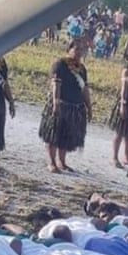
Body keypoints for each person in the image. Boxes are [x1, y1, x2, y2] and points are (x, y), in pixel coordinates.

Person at [39, 39, 92, 173]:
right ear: (69, 49)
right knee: (53, 134)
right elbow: (56, 83)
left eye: (82, 49)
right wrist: (56, 102)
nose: (79, 52)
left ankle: (61, 161)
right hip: (61, 103)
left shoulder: (81, 69)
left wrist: (89, 106)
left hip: (75, 106)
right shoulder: (60, 64)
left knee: (66, 136)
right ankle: (51, 162)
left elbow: (84, 88)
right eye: (77, 49)